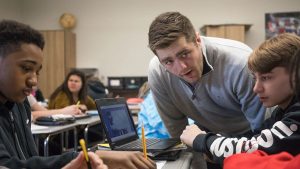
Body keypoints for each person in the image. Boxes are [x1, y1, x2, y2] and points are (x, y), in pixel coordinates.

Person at [0, 19, 156, 169]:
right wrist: (89, 156)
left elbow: (29, 162)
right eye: (26, 68)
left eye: (37, 72)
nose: (34, 81)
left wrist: (88, 158)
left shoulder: (19, 105)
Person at [180, 33, 300, 166]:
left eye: (266, 78)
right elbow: (255, 140)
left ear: (296, 74)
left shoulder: (297, 114)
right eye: (255, 79)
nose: (256, 88)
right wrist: (213, 147)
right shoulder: (282, 111)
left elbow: (255, 149)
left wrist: (201, 140)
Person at [147, 11, 266, 139]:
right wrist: (194, 157)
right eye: (168, 61)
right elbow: (177, 130)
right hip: (206, 137)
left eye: (184, 54)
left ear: (197, 40)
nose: (181, 68)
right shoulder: (157, 72)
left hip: (249, 135)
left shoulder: (240, 63)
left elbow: (263, 131)